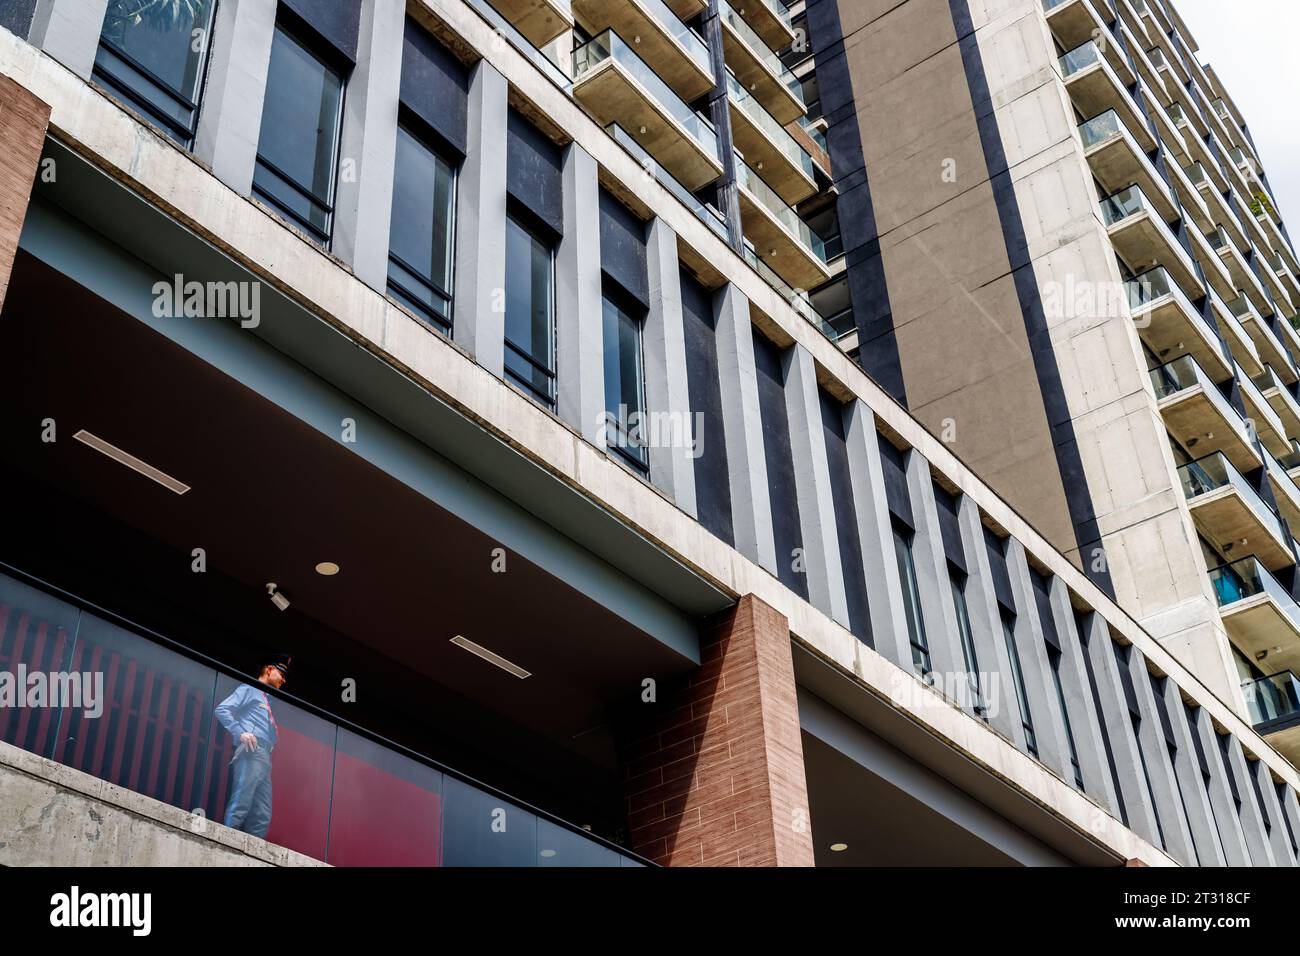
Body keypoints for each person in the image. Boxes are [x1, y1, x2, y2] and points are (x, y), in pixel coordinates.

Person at [214, 653, 291, 838]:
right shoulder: (249, 689)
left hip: (264, 756)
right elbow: (222, 709)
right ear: (269, 669)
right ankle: (227, 840)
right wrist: (240, 732)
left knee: (263, 812)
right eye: (281, 673)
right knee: (242, 799)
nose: (283, 679)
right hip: (252, 751)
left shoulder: (267, 699)